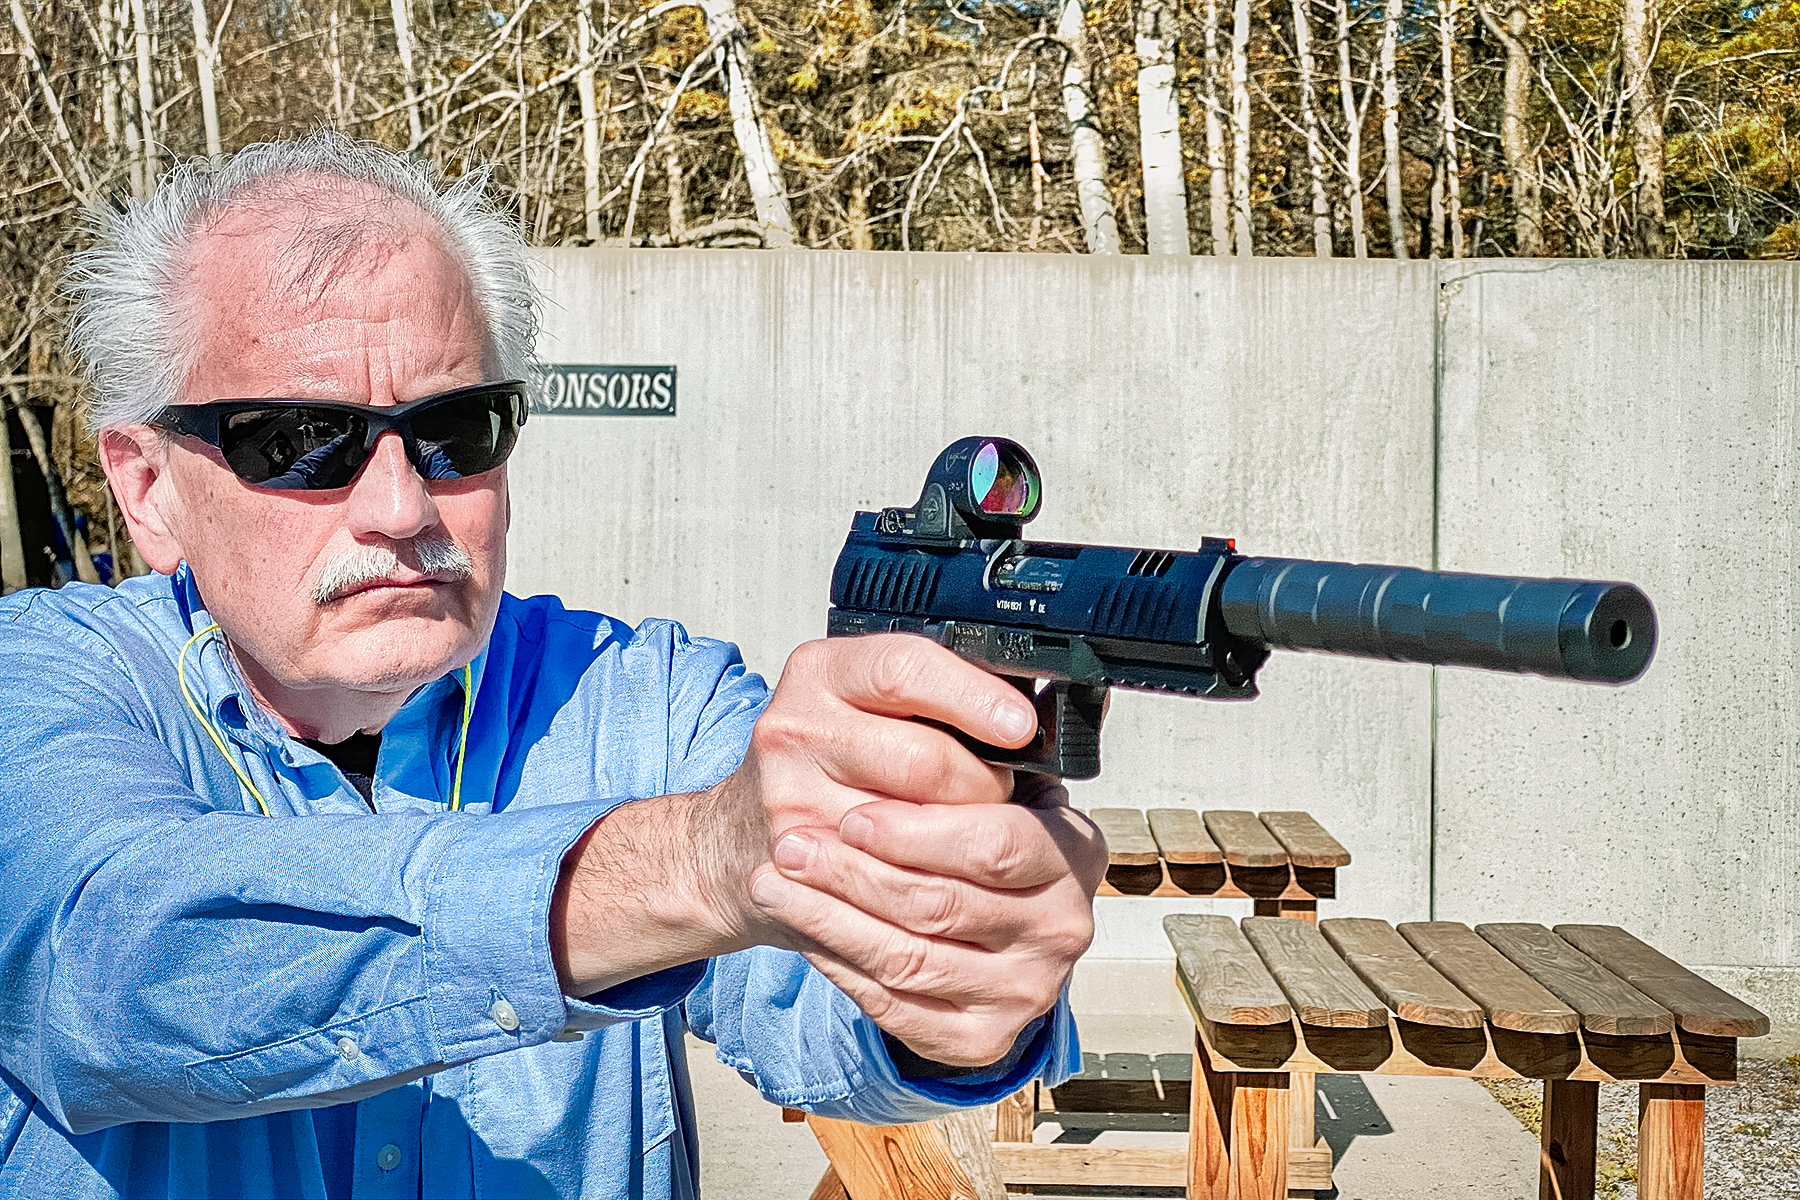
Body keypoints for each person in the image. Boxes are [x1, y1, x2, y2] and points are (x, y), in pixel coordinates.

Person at [0, 133, 1106, 1199]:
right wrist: (685, 869)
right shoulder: (44, 681)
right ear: (146, 488)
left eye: (455, 430)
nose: (401, 506)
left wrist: (952, 971)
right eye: (297, 441)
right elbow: (111, 969)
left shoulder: (651, 700)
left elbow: (835, 1020)